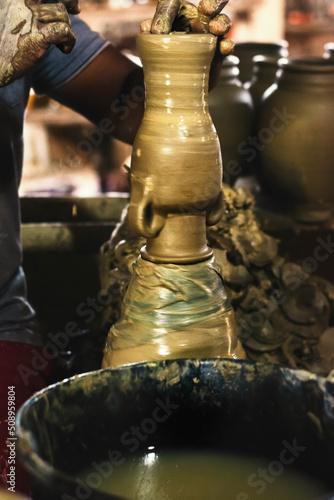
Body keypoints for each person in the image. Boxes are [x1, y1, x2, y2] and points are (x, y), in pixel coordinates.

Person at [0, 0, 233, 494]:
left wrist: (188, 58)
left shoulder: (22, 8)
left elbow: (137, 111)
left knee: (19, 481)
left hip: (2, 323)